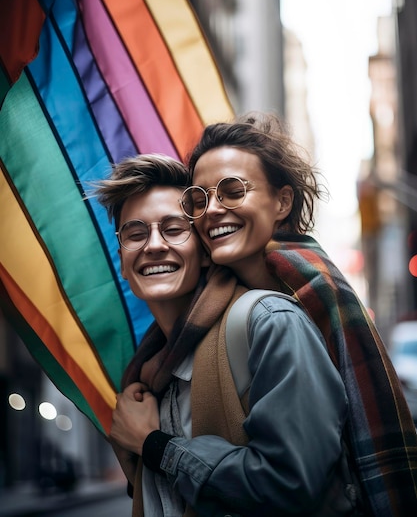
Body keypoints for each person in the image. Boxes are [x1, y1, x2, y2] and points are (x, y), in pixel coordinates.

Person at [95, 153, 357, 517]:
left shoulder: (269, 322)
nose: (153, 245)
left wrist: (154, 445)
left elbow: (292, 486)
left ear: (204, 253)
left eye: (173, 229)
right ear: (123, 260)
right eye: (136, 234)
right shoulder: (149, 377)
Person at [182, 111, 417, 516]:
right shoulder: (211, 306)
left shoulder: (310, 297)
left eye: (232, 190)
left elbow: (289, 482)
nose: (212, 210)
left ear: (282, 201)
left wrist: (161, 449)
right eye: (198, 199)